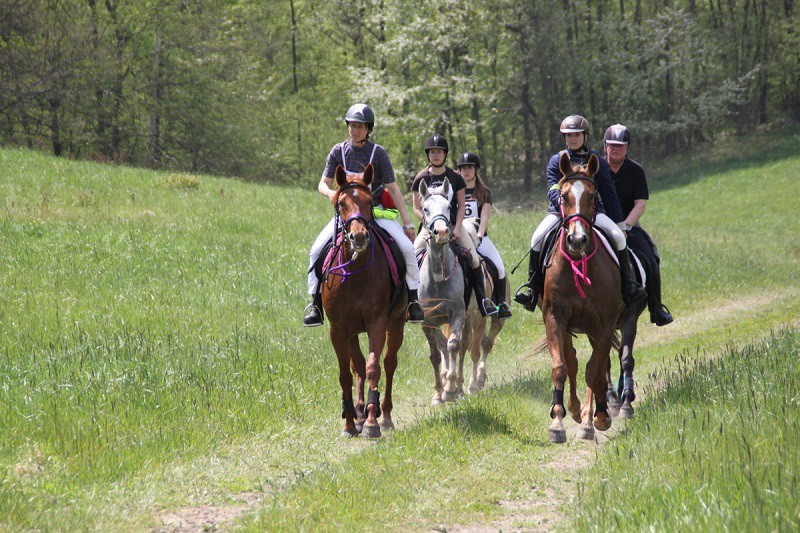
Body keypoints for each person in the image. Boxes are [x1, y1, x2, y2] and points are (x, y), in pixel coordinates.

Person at [303, 103, 424, 327]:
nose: (355, 130)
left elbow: (393, 188)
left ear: (368, 129)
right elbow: (323, 183)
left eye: (360, 126)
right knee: (316, 250)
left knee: (407, 249)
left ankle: (413, 301)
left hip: (375, 213)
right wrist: (331, 193)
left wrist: (407, 223)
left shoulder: (378, 153)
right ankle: (315, 305)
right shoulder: (338, 151)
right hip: (347, 216)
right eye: (352, 125)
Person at [514, 114, 647, 310]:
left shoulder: (597, 160)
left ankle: (628, 287)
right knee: (536, 239)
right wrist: (562, 205)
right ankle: (532, 290)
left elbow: (609, 194)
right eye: (568, 135)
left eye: (576, 134)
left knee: (619, 238)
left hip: (592, 213)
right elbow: (552, 189)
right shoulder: (556, 160)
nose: (572, 139)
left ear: (585, 136)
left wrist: (620, 224)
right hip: (560, 213)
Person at [411, 134, 497, 316]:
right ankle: (411, 304)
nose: (436, 155)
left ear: (445, 154)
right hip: (428, 229)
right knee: (410, 259)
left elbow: (461, 205)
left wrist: (457, 228)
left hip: (453, 226)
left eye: (439, 152)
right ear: (428, 154)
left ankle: (483, 301)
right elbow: (416, 208)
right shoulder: (420, 178)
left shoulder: (454, 177)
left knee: (474, 259)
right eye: (433, 152)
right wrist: (427, 225)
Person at [604, 124, 673, 326]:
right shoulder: (597, 169)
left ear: (627, 147)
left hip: (628, 227)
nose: (615, 149)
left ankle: (656, 308)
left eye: (620, 146)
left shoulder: (636, 171)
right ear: (605, 146)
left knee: (651, 259)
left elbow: (640, 205)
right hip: (600, 225)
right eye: (611, 145)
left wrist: (625, 226)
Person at [456, 151, 512, 319]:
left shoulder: (483, 191)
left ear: (476, 170)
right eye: (463, 168)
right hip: (458, 236)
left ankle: (501, 304)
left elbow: (484, 217)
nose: (466, 171)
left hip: (479, 237)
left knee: (499, 267)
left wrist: (479, 236)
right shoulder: (453, 190)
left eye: (470, 168)